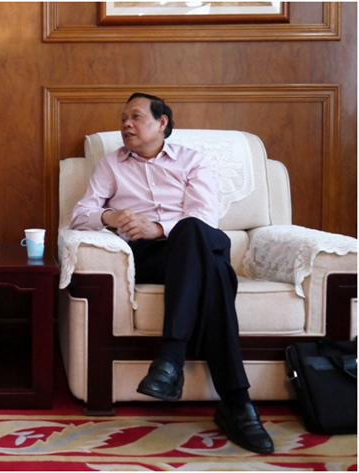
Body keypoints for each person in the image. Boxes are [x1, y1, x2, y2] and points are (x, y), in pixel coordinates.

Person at [70, 92, 274, 455]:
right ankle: (237, 402)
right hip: (151, 258)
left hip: (192, 242)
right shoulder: (111, 164)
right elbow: (79, 215)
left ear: (161, 122)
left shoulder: (191, 161)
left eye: (135, 117)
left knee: (193, 231)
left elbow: (205, 216)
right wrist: (111, 216)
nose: (126, 125)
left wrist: (159, 228)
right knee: (216, 273)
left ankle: (171, 359)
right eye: (123, 119)